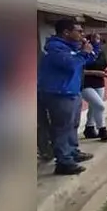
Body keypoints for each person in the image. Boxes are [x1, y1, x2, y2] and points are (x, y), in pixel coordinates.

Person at [38, 18, 96, 175]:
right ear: (66, 32)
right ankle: (63, 162)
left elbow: (88, 60)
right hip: (59, 94)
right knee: (62, 128)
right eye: (79, 31)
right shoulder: (55, 49)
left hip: (72, 92)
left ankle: (72, 152)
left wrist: (93, 46)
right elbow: (70, 64)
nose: (82, 34)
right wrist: (83, 53)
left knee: (72, 125)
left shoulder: (72, 48)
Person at [81, 33, 107, 142]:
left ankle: (89, 128)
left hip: (99, 82)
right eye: (94, 38)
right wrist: (95, 72)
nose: (97, 41)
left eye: (99, 39)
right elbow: (78, 70)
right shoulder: (83, 53)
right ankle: (102, 130)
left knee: (93, 106)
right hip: (85, 83)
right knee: (100, 105)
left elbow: (104, 65)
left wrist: (106, 70)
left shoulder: (100, 52)